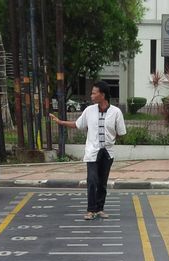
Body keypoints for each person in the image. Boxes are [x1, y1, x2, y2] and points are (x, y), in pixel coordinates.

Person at [50, 81, 126, 220]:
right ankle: (90, 210)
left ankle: (100, 209)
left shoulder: (116, 112)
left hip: (107, 152)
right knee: (92, 180)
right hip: (92, 151)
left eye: (94, 93)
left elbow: (121, 132)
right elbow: (78, 124)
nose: (91, 95)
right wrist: (60, 122)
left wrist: (111, 138)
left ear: (102, 95)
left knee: (102, 182)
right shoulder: (89, 111)